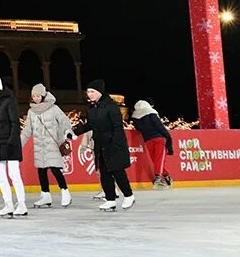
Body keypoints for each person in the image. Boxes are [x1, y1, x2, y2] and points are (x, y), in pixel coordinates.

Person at [75, 80, 135, 210]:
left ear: (99, 92)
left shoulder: (111, 107)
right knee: (104, 173)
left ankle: (129, 195)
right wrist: (74, 133)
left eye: (92, 92)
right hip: (100, 144)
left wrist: (116, 144)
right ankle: (110, 199)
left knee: (117, 171)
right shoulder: (91, 108)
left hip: (113, 144)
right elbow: (90, 125)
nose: (89, 94)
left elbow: (118, 127)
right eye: (88, 92)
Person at [0, 75, 28, 218]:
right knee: (1, 177)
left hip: (10, 144)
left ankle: (21, 204)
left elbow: (15, 123)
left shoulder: (10, 101)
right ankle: (8, 203)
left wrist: (11, 142)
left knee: (14, 175)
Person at [22, 83, 75, 207]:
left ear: (43, 95)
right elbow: (27, 130)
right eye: (33, 96)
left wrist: (67, 130)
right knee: (41, 171)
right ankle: (45, 196)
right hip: (39, 145)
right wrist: (19, 145)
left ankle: (65, 192)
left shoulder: (53, 108)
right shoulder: (31, 111)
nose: (35, 98)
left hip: (52, 144)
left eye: (38, 95)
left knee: (55, 169)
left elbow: (64, 120)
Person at [131, 99, 175, 188]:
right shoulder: (150, 112)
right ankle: (158, 178)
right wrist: (169, 138)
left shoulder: (135, 116)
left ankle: (166, 176)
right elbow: (159, 126)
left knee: (156, 160)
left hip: (148, 140)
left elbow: (138, 128)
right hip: (159, 138)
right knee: (159, 159)